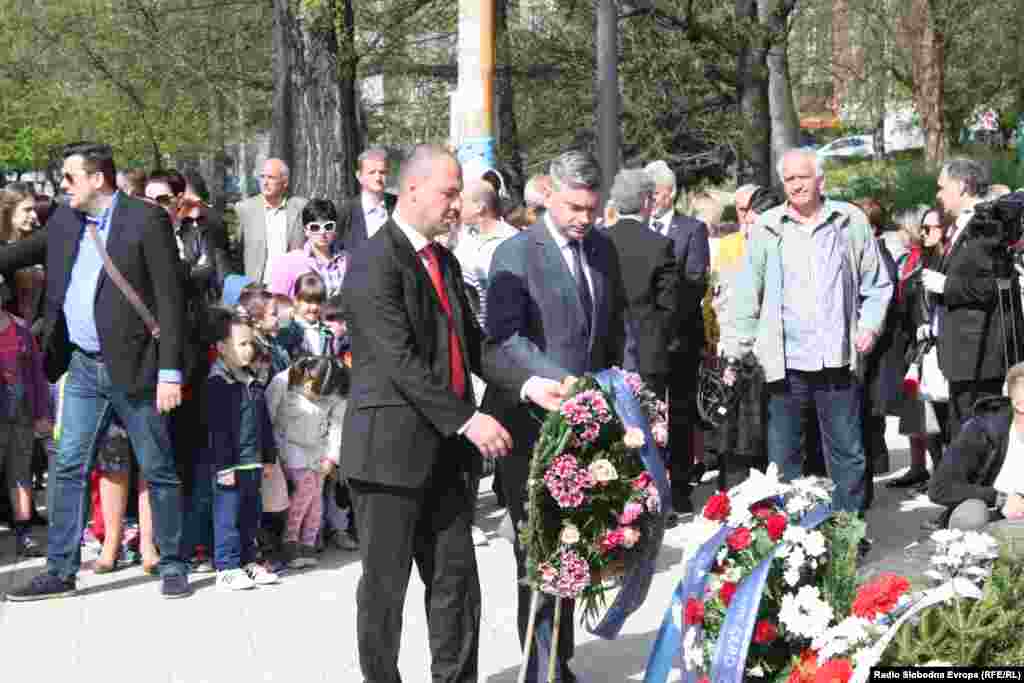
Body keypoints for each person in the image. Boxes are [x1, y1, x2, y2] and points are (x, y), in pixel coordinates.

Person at [340, 144, 561, 683]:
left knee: (456, 586)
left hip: (446, 459)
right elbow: (398, 361)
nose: (457, 204)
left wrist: (530, 384)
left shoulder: (444, 261)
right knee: (385, 592)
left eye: (459, 193)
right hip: (388, 460)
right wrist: (468, 418)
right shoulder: (373, 260)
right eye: (449, 192)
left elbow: (475, 346)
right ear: (412, 189)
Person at [1, 141, 191, 601]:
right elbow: (15, 254)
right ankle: (60, 571)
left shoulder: (146, 220)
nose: (63, 186)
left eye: (70, 177)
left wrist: (170, 373)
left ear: (97, 179)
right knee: (68, 467)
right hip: (83, 366)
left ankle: (173, 564)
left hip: (138, 368)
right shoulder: (65, 220)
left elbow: (171, 300)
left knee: (158, 467)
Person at [485, 149, 627, 682]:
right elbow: (505, 338)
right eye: (574, 208)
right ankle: (538, 668)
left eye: (592, 208)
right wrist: (559, 382)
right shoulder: (515, 254)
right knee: (539, 550)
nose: (584, 219)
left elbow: (615, 329)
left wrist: (628, 392)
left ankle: (557, 661)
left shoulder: (603, 249)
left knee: (575, 546)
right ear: (548, 193)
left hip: (588, 426)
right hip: (531, 426)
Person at [725, 148, 893, 517]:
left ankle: (849, 529)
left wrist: (869, 325)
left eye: (803, 177)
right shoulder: (768, 227)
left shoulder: (849, 221)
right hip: (785, 365)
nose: (796, 185)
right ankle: (790, 533)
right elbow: (747, 294)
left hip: (837, 360)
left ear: (820, 180)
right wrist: (737, 351)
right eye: (789, 179)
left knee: (847, 453)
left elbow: (878, 284)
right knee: (784, 457)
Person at [922, 157, 1014, 442]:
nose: (938, 195)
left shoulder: (985, 224)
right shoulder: (964, 224)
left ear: (962, 186)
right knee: (962, 436)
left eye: (942, 187)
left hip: (980, 357)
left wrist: (946, 285)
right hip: (964, 356)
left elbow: (992, 286)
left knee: (977, 440)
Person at [644, 159, 710, 521]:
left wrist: (664, 319)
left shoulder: (692, 230)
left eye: (654, 193)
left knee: (681, 413)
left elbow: (695, 282)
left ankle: (681, 486)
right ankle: (652, 484)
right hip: (645, 340)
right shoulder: (639, 228)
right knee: (647, 413)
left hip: (681, 337)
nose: (650, 200)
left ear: (669, 193)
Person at [202, 307, 281, 591]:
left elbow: (264, 422)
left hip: (252, 462)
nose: (249, 349)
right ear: (222, 347)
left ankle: (248, 561)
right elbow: (218, 429)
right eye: (242, 343)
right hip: (229, 465)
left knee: (250, 515)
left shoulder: (253, 380)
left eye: (251, 343)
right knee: (228, 517)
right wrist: (223, 466)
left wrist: (269, 457)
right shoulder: (218, 382)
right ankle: (226, 567)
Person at [887, 206, 950, 492]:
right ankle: (926, 469)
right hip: (916, 345)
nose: (924, 234)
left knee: (939, 415)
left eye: (930, 228)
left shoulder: (943, 261)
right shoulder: (917, 260)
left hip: (936, 346)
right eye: (922, 228)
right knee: (921, 413)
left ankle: (943, 474)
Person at [266, 355, 347, 568]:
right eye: (316, 392)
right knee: (305, 490)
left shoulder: (335, 392)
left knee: (316, 499)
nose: (318, 398)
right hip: (290, 449)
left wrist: (331, 458)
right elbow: (269, 417)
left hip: (318, 451)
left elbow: (336, 427)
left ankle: (308, 542)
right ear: (308, 379)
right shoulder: (283, 383)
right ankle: (290, 541)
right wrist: (272, 453)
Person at [929, 362, 1024, 537]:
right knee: (972, 514)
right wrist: (1000, 499)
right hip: (992, 520)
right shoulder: (982, 430)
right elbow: (940, 488)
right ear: (1020, 404)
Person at [604, 168, 677, 388]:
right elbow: (668, 306)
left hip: (605, 352)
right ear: (646, 201)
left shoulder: (597, 240)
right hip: (647, 355)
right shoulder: (660, 245)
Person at [0, 295, 51, 557]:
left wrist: (42, 413)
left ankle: (24, 533)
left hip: (21, 413)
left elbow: (36, 376)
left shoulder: (21, 330)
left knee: (20, 474)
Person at [453, 179, 519, 329]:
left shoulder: (511, 241)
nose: (457, 205)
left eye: (462, 200)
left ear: (479, 207)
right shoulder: (464, 239)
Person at [236, 158, 308, 283]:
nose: (265, 182)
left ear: (285, 182)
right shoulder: (245, 209)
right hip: (257, 287)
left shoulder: (301, 207)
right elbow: (238, 251)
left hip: (292, 285)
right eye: (262, 177)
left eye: (271, 177)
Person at [268, 198, 347, 299]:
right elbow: (276, 302)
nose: (322, 232)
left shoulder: (348, 260)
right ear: (306, 230)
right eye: (315, 227)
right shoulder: (289, 262)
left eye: (328, 226)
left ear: (335, 228)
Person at [338, 147, 396, 253]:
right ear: (359, 176)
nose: (378, 178)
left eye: (382, 172)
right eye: (372, 172)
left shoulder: (400, 206)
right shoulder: (346, 212)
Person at [277, 271, 334, 357]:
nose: (314, 307)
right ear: (296, 301)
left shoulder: (326, 333)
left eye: (319, 301)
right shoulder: (287, 330)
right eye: (308, 301)